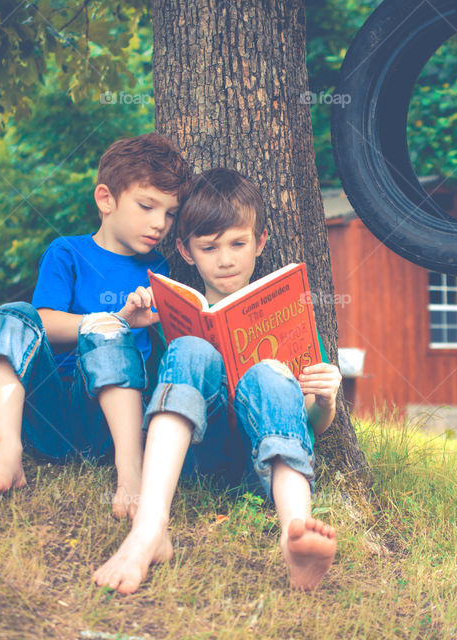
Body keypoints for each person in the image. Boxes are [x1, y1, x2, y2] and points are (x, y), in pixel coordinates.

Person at [93, 168, 341, 593]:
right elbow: (140, 391)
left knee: (268, 372)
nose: (225, 259)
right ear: (186, 252)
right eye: (209, 248)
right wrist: (132, 324)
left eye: (238, 244)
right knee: (191, 349)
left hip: (258, 466)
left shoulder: (289, 318)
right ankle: (149, 528)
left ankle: (294, 533)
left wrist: (326, 402)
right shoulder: (167, 316)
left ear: (260, 242)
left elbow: (308, 425)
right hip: (195, 460)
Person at [0, 133, 193, 521]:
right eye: (147, 206)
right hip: (48, 412)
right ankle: (7, 455)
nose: (160, 224)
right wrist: (115, 319)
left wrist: (137, 324)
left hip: (109, 422)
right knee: (10, 314)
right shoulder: (67, 253)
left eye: (170, 213)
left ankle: (131, 472)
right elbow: (42, 323)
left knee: (110, 333)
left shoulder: (158, 269)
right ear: (106, 199)